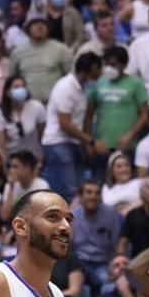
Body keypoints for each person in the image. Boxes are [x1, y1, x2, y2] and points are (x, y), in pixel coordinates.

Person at [40, 52, 106, 197]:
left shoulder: (83, 88)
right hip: (58, 142)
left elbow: (82, 119)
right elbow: (65, 124)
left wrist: (86, 144)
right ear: (84, 71)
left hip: (74, 142)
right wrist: (91, 141)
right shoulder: (65, 87)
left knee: (81, 188)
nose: (99, 75)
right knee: (71, 191)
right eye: (96, 72)